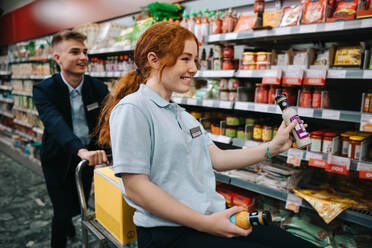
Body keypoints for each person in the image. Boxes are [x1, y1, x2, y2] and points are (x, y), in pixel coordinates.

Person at [97, 22, 316, 248]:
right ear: (154, 60)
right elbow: (136, 188)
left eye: (195, 60)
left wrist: (273, 147)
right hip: (170, 233)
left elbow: (218, 159)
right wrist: (205, 223)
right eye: (185, 58)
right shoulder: (133, 109)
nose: (194, 68)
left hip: (210, 219)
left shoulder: (181, 115)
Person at [33, 30, 109, 248]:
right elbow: (55, 124)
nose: (83, 57)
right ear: (57, 58)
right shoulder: (44, 90)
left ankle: (69, 223)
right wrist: (79, 149)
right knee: (61, 211)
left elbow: (108, 122)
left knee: (79, 205)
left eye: (85, 52)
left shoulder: (97, 87)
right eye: (75, 52)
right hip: (57, 159)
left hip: (87, 159)